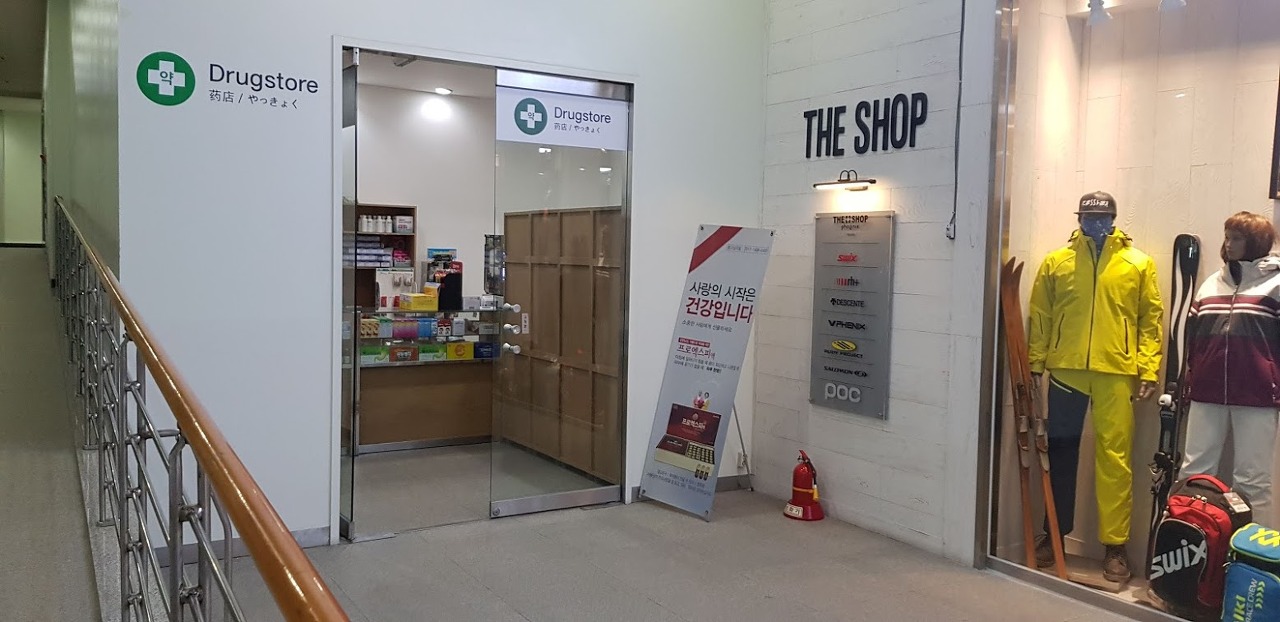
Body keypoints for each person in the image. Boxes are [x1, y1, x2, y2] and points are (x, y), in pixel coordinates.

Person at [1027, 190, 1164, 582]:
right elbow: (1041, 313)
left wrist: (1148, 369)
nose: (1097, 224)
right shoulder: (1057, 261)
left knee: (1115, 459)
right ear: (1079, 219)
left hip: (1115, 372)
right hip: (1067, 372)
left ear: (1114, 220)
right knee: (1060, 453)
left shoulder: (1138, 263)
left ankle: (1115, 546)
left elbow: (1150, 319)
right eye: (1089, 217)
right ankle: (1053, 533)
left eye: (1104, 218)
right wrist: (1036, 362)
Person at [1182, 212, 1280, 525]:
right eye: (1227, 237)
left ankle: (1253, 550)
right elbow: (1193, 339)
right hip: (1207, 392)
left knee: (1252, 481)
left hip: (1257, 394)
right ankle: (1192, 543)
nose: (1229, 244)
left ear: (1257, 242)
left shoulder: (1276, 285)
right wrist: (1191, 377)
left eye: (1237, 238)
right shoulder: (1211, 284)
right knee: (1195, 473)